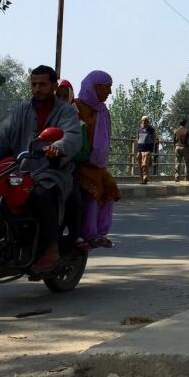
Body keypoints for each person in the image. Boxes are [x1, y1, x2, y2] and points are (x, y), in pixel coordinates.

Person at [0, 65, 81, 272]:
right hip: (20, 169)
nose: (37, 89)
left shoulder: (66, 111)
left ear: (54, 86)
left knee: (40, 194)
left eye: (42, 84)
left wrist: (57, 147)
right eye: (34, 84)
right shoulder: (21, 110)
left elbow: (72, 136)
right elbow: (2, 134)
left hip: (52, 170)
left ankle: (52, 248)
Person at [73, 70, 120, 250]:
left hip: (97, 165)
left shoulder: (103, 111)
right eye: (107, 87)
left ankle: (99, 231)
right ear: (96, 87)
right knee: (92, 187)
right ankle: (88, 233)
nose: (109, 92)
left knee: (109, 186)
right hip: (79, 162)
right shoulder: (76, 106)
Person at [135, 116, 157, 184]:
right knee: (140, 165)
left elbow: (154, 139)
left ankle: (145, 177)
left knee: (144, 164)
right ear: (141, 121)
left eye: (145, 120)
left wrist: (152, 145)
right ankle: (142, 179)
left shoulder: (151, 130)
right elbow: (137, 138)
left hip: (148, 149)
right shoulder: (139, 129)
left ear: (148, 121)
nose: (144, 121)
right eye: (143, 120)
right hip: (140, 149)